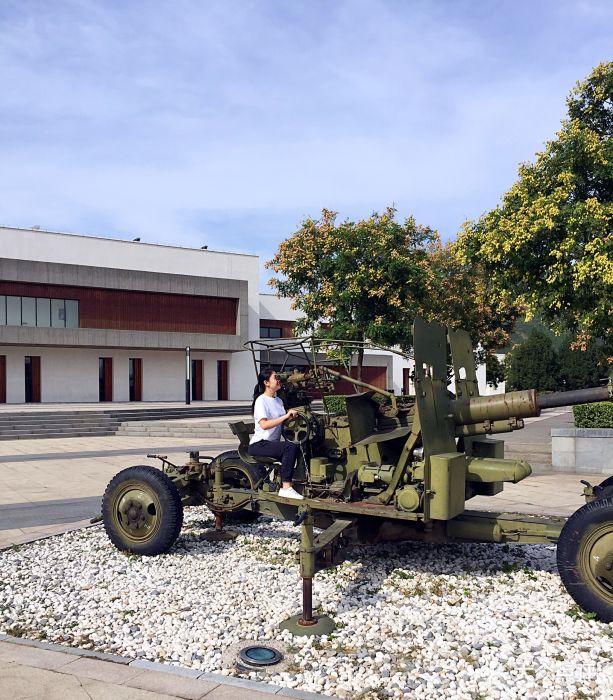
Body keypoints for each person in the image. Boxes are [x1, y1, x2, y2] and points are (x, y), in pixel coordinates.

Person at [248, 367, 304, 500]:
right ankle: (286, 488)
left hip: (271, 444)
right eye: (275, 378)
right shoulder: (261, 400)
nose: (278, 380)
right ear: (266, 383)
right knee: (289, 447)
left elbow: (282, 424)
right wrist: (285, 416)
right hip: (259, 444)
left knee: (299, 445)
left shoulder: (278, 401)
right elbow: (265, 425)